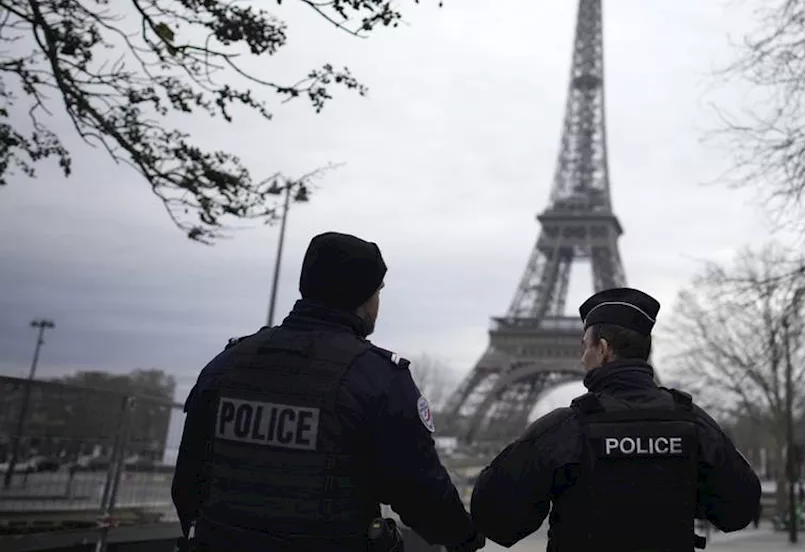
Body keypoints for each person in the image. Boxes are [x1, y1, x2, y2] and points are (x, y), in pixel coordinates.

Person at [171, 231, 485, 552]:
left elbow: (188, 481)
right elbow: (419, 490)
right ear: (364, 297)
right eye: (378, 292)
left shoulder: (226, 364)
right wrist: (464, 536)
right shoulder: (377, 378)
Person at [469, 287, 762, 551]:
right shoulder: (694, 423)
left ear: (603, 349)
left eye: (585, 345)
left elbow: (496, 519)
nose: (582, 357)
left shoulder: (563, 430)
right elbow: (739, 510)